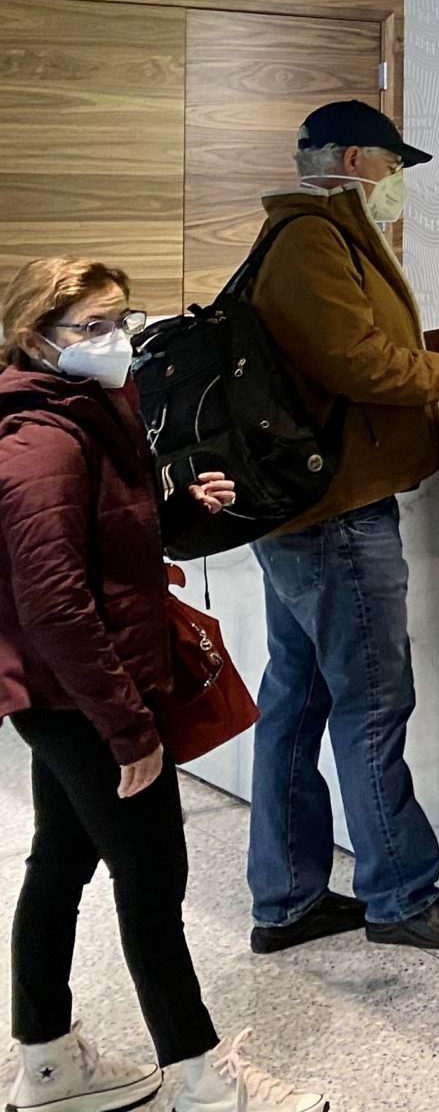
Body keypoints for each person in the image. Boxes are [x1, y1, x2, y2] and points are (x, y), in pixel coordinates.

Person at [0, 257, 327, 1111]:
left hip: (70, 691)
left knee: (62, 859)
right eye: (93, 327)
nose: (117, 339)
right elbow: (54, 605)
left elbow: (102, 548)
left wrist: (177, 513)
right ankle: (200, 1080)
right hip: (85, 694)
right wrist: (127, 729)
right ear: (36, 338)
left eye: (122, 319)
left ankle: (48, 1066)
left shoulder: (85, 412)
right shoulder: (42, 442)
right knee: (152, 882)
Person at [243, 100, 439, 956]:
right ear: (351, 160)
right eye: (392, 163)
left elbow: (365, 344)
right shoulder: (312, 239)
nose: (397, 180)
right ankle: (399, 896)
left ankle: (289, 898)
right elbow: (363, 366)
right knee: (371, 702)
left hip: (311, 511)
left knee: (299, 699)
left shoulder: (319, 236)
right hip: (334, 512)